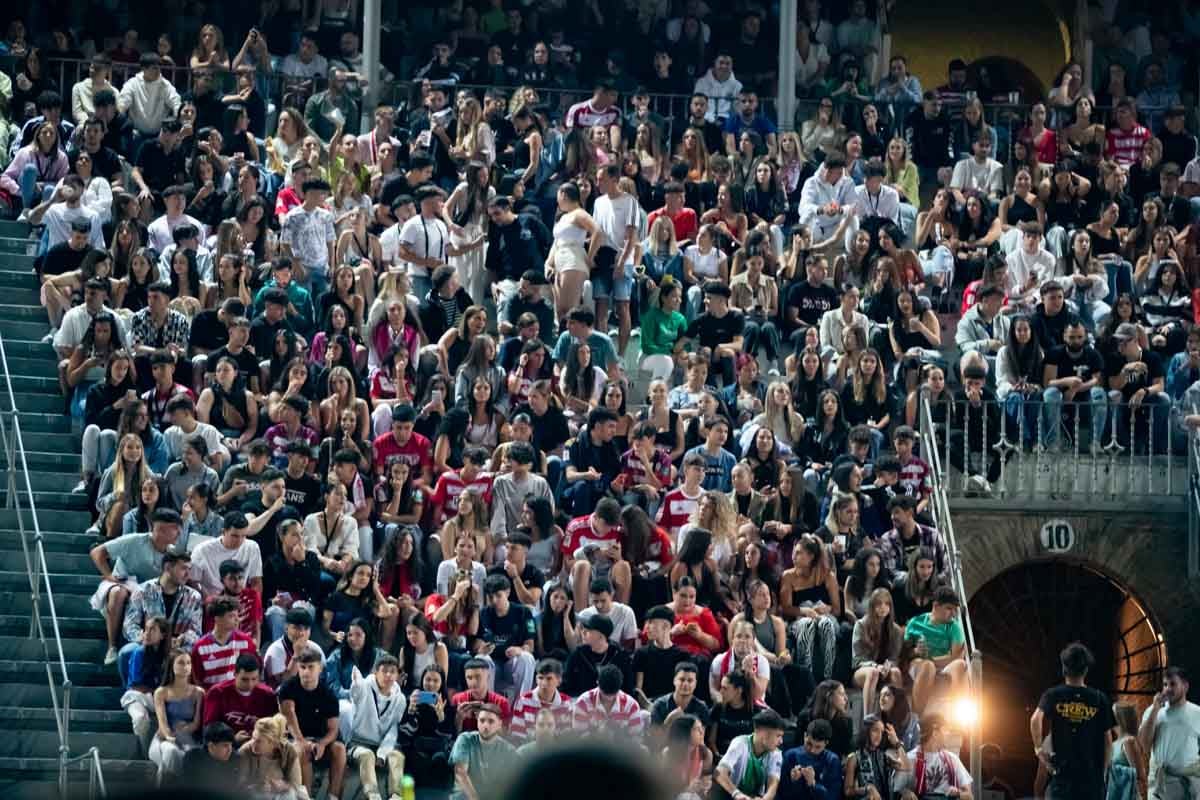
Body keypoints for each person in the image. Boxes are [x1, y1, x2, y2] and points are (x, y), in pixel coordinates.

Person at [1030, 642, 1116, 800]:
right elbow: (1108, 742)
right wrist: (1102, 775)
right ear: (1086, 670)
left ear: (1064, 669)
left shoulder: (1052, 695)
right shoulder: (1100, 699)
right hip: (1091, 782)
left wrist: (1038, 750)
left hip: (1063, 779)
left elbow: (1035, 719)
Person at [278, 649, 348, 799]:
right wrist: (302, 741)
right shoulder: (287, 688)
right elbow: (289, 716)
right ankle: (307, 796)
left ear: (320, 668)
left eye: (311, 667)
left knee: (339, 749)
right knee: (302, 749)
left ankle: (333, 796)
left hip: (319, 739)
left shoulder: (328, 694)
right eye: (302, 667)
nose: (306, 672)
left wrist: (322, 744)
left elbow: (333, 729)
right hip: (294, 737)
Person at [347, 653, 407, 800]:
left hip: (381, 745)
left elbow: (393, 729)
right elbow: (355, 694)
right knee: (366, 756)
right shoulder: (365, 686)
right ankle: (373, 795)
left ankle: (396, 796)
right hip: (358, 742)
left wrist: (382, 753)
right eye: (384, 671)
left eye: (392, 671)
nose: (388, 675)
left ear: (398, 675)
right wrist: (355, 684)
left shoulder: (400, 699)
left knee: (397, 756)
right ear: (375, 672)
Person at [1138, 666, 1200, 800]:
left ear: (1185, 686)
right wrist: (1155, 710)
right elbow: (1143, 745)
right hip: (1159, 784)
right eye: (1165, 684)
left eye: (1173, 684)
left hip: (1188, 784)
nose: (1167, 689)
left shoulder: (1197, 712)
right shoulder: (1152, 712)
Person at [905, 587, 968, 713]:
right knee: (928, 666)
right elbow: (905, 653)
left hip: (942, 665)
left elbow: (956, 657)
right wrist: (916, 651)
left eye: (955, 610)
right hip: (920, 664)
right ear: (936, 606)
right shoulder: (915, 622)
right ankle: (916, 718)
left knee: (960, 664)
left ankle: (956, 717)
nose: (953, 614)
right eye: (949, 608)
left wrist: (931, 659)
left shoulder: (953, 627)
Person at [479, 574, 537, 697]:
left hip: (513, 664)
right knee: (482, 659)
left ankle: (521, 704)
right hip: (493, 664)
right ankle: (489, 705)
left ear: (508, 592)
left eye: (498, 596)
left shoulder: (523, 612)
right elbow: (476, 644)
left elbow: (530, 646)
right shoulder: (483, 614)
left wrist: (519, 649)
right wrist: (482, 649)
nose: (494, 600)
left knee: (526, 658)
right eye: (491, 597)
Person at [894, 713, 974, 800]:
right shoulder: (909, 759)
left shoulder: (952, 759)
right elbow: (897, 790)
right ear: (935, 733)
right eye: (945, 730)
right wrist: (906, 792)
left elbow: (969, 796)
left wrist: (958, 793)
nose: (948, 734)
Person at [712, 709, 785, 800]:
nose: (781, 741)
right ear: (763, 733)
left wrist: (764, 799)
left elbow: (773, 784)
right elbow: (719, 773)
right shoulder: (740, 743)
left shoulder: (776, 753)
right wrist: (737, 794)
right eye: (778, 736)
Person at [450, 702, 517, 800]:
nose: (485, 725)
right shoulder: (465, 739)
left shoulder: (508, 750)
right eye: (482, 720)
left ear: (499, 724)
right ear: (477, 721)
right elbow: (460, 773)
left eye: (491, 721)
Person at [571, 663, 646, 739]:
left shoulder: (631, 706)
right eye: (605, 693)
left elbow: (636, 737)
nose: (609, 698)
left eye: (613, 694)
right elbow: (579, 735)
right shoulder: (583, 702)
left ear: (620, 687)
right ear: (598, 683)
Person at [510, 658, 572, 743]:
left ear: (559, 680)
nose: (544, 683)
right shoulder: (523, 700)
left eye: (549, 678)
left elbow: (567, 737)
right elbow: (517, 735)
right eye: (540, 678)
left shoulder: (566, 703)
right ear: (536, 679)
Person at [780, 719, 842, 799]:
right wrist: (793, 781)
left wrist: (813, 784)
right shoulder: (790, 756)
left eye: (818, 747)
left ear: (826, 743)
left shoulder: (832, 760)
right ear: (805, 736)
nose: (812, 750)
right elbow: (781, 793)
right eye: (809, 744)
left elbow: (833, 796)